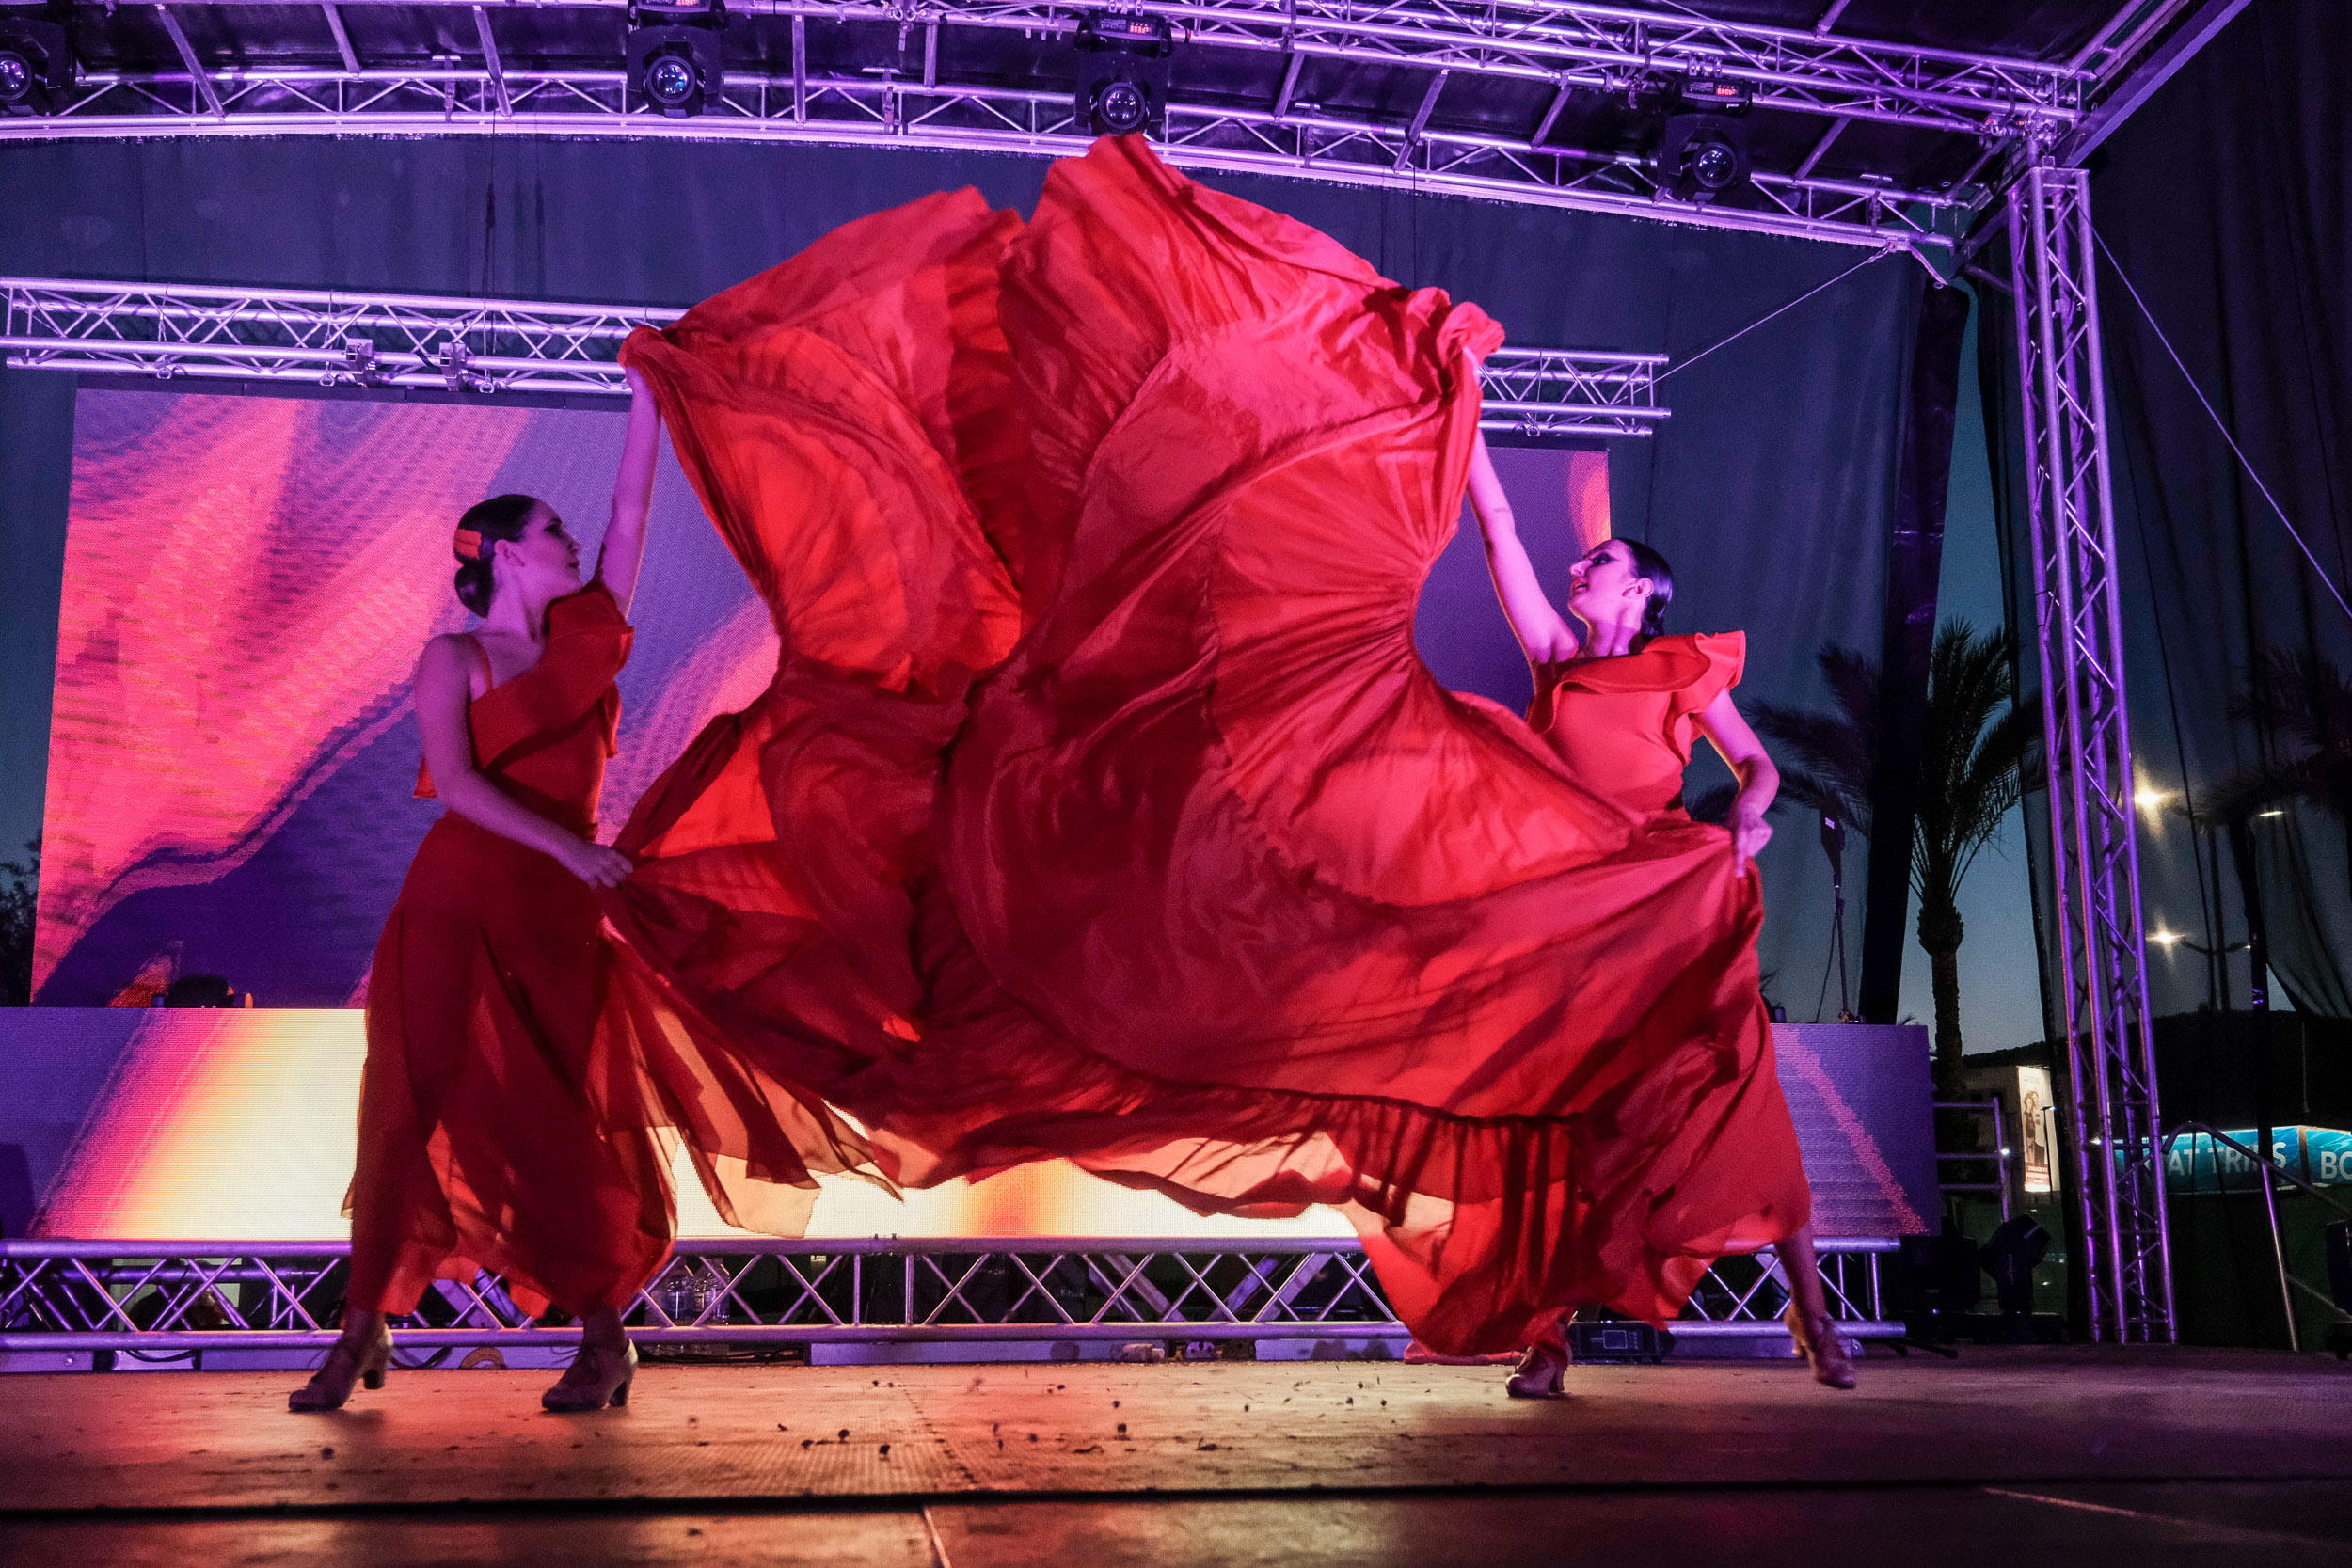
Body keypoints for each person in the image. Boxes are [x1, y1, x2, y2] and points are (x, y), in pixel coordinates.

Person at [291, 370, 870, 1414]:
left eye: (569, 530)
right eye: (550, 531)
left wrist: (651, 388)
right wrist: (569, 854)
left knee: (558, 1121)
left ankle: (605, 1342)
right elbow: (460, 787)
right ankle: (361, 1330)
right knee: (406, 1107)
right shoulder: (453, 655)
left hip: (555, 913)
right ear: (507, 552)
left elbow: (634, 508)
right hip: (458, 902)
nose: (570, 542)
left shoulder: (588, 634)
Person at [1466, 429, 1852, 1394]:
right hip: (1576, 914)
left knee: (1737, 1085)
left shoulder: (1684, 667)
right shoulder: (1556, 658)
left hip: (1672, 895)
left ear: (1642, 590)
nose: (1576, 565)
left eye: (1598, 561)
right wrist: (1463, 426)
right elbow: (1497, 527)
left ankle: (1814, 1313)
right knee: (1562, 1117)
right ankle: (1546, 1339)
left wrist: (1750, 820)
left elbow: (1757, 765)